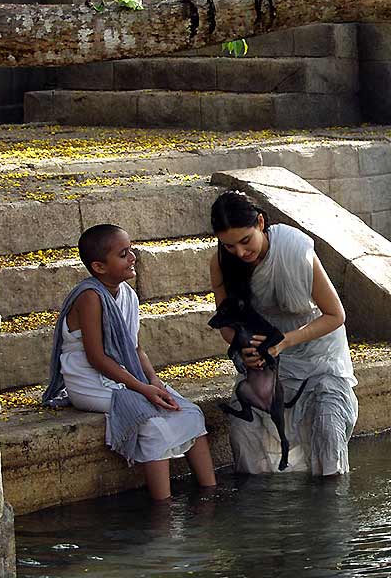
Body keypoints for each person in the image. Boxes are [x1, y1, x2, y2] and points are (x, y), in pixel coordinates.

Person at [43, 223, 216, 501]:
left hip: (126, 376)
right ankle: (164, 511)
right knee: (151, 425)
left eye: (131, 250)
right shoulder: (90, 297)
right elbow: (97, 358)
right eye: (123, 254)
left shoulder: (128, 295)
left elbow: (136, 348)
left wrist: (154, 381)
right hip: (90, 383)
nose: (133, 257)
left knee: (190, 413)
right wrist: (142, 389)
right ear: (99, 267)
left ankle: (211, 496)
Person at [210, 190, 358, 476]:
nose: (240, 252)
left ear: (261, 223)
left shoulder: (294, 249)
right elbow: (227, 324)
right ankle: (258, 507)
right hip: (269, 364)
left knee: (328, 427)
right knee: (243, 429)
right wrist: (245, 350)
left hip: (318, 356)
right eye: (229, 246)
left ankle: (329, 507)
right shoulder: (220, 263)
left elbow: (336, 315)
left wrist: (286, 342)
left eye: (245, 241)